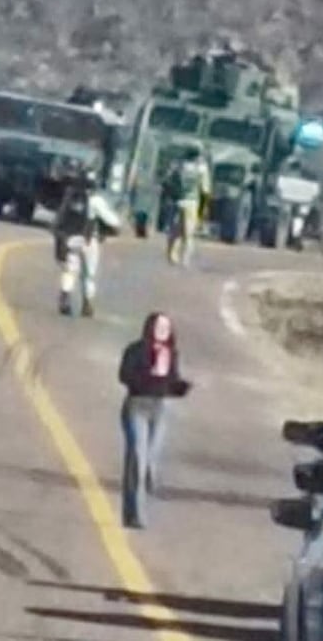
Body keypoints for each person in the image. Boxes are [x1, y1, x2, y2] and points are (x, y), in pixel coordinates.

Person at [117, 313, 192, 528]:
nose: (163, 331)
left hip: (159, 409)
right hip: (137, 406)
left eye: (166, 327)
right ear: (149, 328)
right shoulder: (135, 350)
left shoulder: (171, 354)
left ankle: (143, 499)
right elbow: (124, 376)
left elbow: (172, 382)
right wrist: (150, 377)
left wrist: (180, 388)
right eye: (159, 326)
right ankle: (135, 514)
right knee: (138, 460)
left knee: (151, 461)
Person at [52, 163, 123, 317]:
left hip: (71, 239)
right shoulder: (96, 200)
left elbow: (60, 218)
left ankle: (65, 298)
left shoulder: (70, 196)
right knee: (89, 274)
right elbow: (114, 223)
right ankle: (87, 304)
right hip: (90, 240)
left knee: (70, 270)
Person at [164, 147, 210, 267]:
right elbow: (205, 189)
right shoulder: (201, 168)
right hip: (191, 203)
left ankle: (172, 254)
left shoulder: (178, 165)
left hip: (178, 201)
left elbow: (167, 181)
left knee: (175, 230)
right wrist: (203, 208)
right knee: (188, 233)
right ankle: (185, 259)